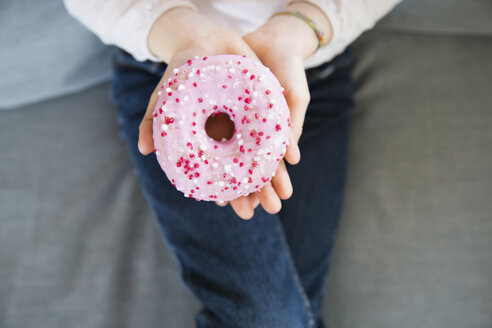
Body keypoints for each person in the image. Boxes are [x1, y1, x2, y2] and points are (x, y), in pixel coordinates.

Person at [65, 1, 400, 326]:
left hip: (307, 71)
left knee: (275, 317)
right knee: (272, 318)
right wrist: (176, 27)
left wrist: (307, 21)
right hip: (170, 78)